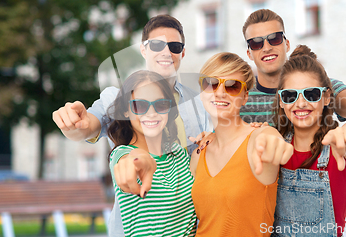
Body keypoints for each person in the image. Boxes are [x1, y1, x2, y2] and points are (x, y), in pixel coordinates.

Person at [52, 14, 210, 236]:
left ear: (182, 52)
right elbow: (88, 126)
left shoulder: (200, 103)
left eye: (174, 46)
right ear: (143, 50)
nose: (166, 52)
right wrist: (74, 124)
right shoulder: (117, 97)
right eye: (156, 45)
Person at [189, 52, 294, 236]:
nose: (220, 92)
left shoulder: (258, 137)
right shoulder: (199, 153)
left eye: (232, 86)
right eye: (211, 83)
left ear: (245, 97)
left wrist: (275, 143)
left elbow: (270, 139)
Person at [240, 9, 346, 125]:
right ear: (249, 53)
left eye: (274, 39)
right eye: (256, 43)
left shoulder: (317, 87)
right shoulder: (238, 95)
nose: (266, 48)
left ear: (286, 44)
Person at [271, 45, 346, 237]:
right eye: (290, 95)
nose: (301, 103)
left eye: (311, 94)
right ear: (281, 101)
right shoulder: (275, 148)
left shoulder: (339, 149)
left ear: (327, 96)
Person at [107, 70, 196, 236]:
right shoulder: (122, 154)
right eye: (139, 105)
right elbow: (130, 160)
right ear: (126, 111)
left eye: (161, 104)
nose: (151, 112)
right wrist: (139, 160)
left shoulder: (179, 153)